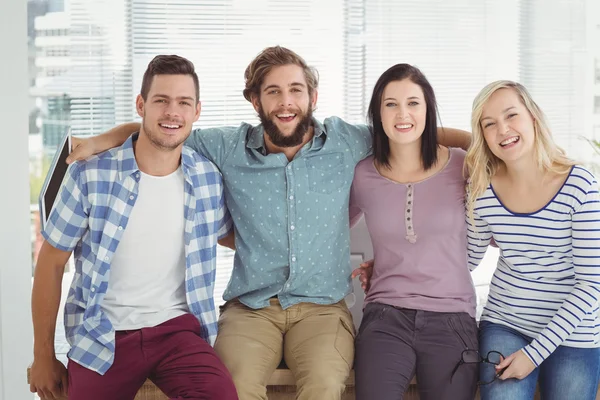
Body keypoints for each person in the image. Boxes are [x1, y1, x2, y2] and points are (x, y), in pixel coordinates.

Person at [66, 46, 471, 400]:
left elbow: (413, 132)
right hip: (251, 307)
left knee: (328, 384)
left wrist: (484, 146)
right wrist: (102, 140)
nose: (285, 102)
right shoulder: (226, 146)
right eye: (272, 91)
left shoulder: (347, 141)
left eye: (295, 90)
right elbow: (161, 129)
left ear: (312, 96)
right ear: (254, 100)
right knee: (236, 384)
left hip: (323, 308)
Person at [29, 55, 238, 400]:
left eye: (184, 102)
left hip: (178, 331)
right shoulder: (89, 175)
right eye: (161, 100)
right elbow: (50, 263)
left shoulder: (207, 178)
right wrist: (42, 356)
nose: (173, 112)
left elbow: (232, 236)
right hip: (104, 333)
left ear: (197, 112)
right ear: (141, 105)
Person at [349, 64, 478, 400]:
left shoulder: (463, 166)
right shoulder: (362, 175)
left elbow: (503, 228)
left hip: (453, 316)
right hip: (385, 316)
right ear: (377, 113)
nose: (402, 113)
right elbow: (323, 230)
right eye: (391, 104)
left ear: (428, 109)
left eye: (413, 103)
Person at [465, 80, 600, 400]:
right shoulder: (482, 190)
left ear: (533, 118)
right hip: (505, 322)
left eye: (511, 115)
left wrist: (534, 354)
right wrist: (393, 262)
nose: (503, 130)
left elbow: (592, 285)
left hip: (574, 331)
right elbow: (464, 262)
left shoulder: (580, 185)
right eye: (489, 124)